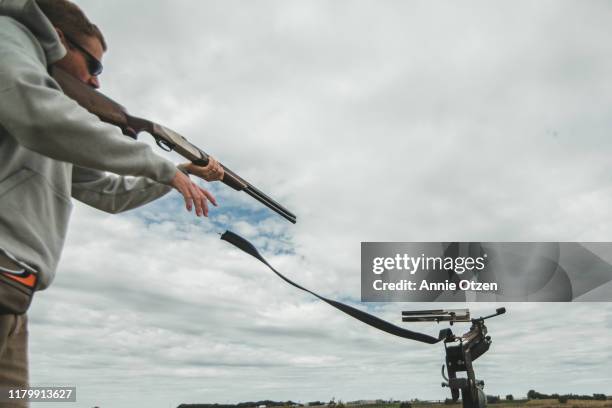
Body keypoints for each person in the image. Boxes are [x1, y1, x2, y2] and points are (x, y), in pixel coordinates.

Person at [0, 0, 225, 402]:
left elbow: (106, 193)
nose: (97, 83)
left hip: (15, 292)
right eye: (94, 66)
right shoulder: (8, 34)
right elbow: (38, 113)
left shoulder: (53, 130)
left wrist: (180, 173)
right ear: (58, 40)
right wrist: (158, 165)